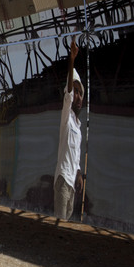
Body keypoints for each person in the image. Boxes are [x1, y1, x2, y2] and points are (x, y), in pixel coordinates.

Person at [54, 35, 84, 220]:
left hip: (72, 181)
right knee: (60, 222)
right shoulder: (66, 116)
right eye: (76, 92)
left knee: (66, 224)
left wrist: (79, 173)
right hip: (63, 179)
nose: (78, 97)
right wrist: (72, 60)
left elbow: (75, 155)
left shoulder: (78, 126)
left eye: (81, 93)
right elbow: (69, 94)